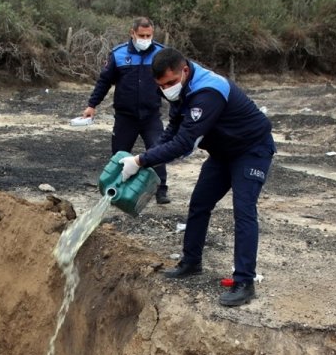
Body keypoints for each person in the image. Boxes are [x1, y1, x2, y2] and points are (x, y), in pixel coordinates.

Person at [118, 48, 275, 307]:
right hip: (222, 153)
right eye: (161, 85)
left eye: (170, 83)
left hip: (251, 150)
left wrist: (140, 160)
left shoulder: (208, 92)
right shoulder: (180, 91)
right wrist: (146, 158)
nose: (166, 89)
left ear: (185, 71)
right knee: (199, 203)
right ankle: (191, 262)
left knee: (244, 210)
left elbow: (184, 143)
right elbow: (173, 130)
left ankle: (245, 282)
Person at [81, 17, 171, 204]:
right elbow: (104, 81)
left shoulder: (161, 54)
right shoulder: (118, 55)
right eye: (141, 35)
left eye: (149, 35)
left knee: (158, 150)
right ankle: (114, 190)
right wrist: (92, 105)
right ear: (132, 33)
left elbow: (170, 83)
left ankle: (161, 190)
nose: (145, 38)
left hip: (151, 116)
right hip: (125, 117)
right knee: (119, 156)